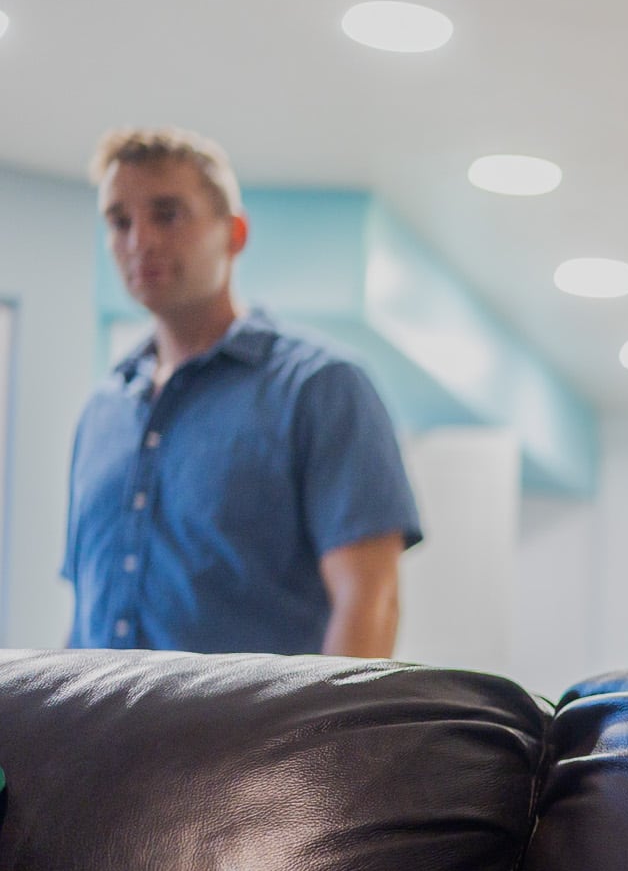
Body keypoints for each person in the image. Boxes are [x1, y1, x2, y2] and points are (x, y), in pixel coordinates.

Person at [64, 127, 422, 658]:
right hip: (96, 740)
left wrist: (326, 745)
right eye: (120, 221)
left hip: (258, 743)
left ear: (234, 233)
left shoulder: (320, 389)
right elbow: (84, 617)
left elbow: (370, 600)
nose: (139, 241)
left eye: (167, 214)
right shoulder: (102, 412)